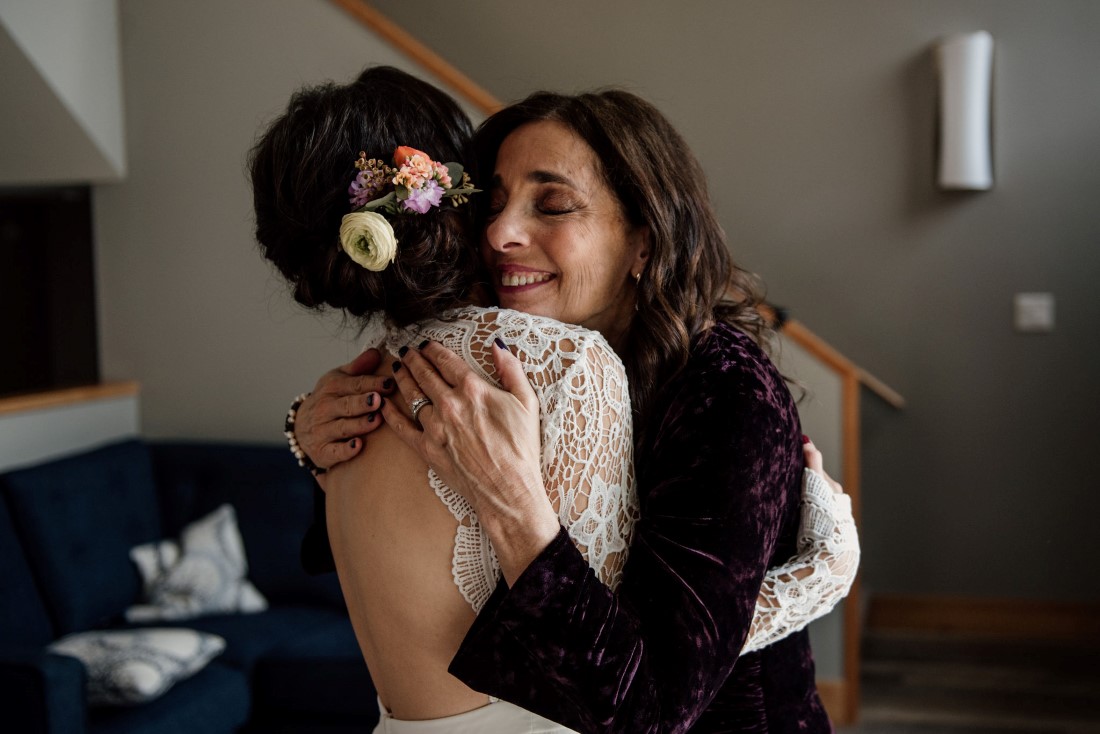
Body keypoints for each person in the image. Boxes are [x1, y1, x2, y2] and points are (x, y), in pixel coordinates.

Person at [289, 80, 858, 732]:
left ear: (645, 241)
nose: (500, 232)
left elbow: (654, 705)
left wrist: (514, 508)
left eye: (553, 205)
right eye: (492, 205)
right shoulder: (504, 356)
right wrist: (310, 438)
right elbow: (406, 543)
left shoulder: (728, 391)